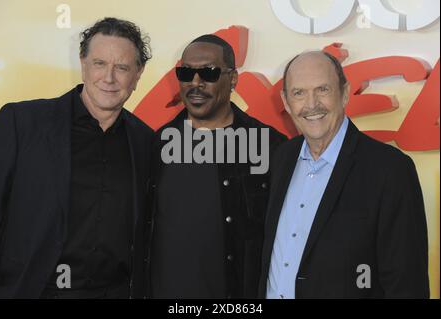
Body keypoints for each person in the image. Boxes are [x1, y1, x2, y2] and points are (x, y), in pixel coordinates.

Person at [0, 17, 154, 298]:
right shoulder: (22, 123)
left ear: (138, 74)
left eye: (122, 67)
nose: (109, 78)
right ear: (83, 63)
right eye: (100, 63)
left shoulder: (146, 142)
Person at [259, 51, 430, 299]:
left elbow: (407, 285)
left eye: (323, 89)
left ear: (345, 93)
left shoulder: (390, 170)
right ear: (285, 102)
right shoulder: (280, 159)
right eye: (299, 93)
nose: (311, 104)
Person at [142, 34, 286, 299]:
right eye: (186, 73)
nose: (195, 83)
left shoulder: (269, 146)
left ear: (233, 79)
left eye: (208, 73)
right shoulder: (153, 147)